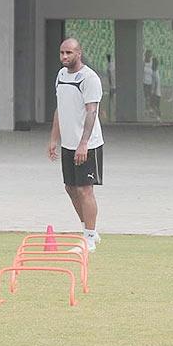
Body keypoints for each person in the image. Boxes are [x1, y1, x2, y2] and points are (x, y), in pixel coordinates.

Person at [48, 38, 103, 252]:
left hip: (88, 145)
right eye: (62, 52)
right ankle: (89, 230)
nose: (64, 57)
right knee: (70, 188)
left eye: (69, 53)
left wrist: (84, 143)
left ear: (78, 53)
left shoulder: (89, 78)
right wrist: (54, 139)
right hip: (68, 144)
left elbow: (92, 111)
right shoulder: (61, 75)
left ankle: (88, 238)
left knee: (84, 189)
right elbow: (60, 108)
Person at [151, 57, 162, 122]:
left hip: (156, 93)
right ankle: (158, 116)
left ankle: (158, 117)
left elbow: (155, 84)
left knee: (155, 106)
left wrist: (153, 92)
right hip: (158, 93)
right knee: (155, 105)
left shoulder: (155, 73)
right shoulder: (156, 72)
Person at [143, 50, 153, 117]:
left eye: (150, 55)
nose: (149, 56)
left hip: (151, 82)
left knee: (149, 97)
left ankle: (149, 109)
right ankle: (147, 109)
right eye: (148, 55)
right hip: (144, 82)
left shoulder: (152, 63)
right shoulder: (143, 63)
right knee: (146, 97)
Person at [106, 53, 116, 121]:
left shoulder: (111, 66)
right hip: (112, 86)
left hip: (113, 86)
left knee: (113, 100)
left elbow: (110, 76)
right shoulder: (111, 66)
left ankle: (112, 115)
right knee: (112, 101)